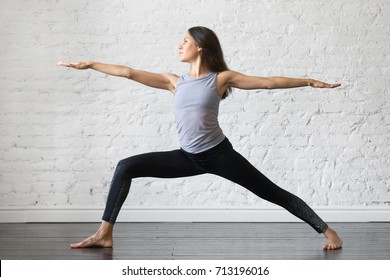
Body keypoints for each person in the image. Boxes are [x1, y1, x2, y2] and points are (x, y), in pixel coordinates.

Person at [58, 26, 342, 250]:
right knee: (126, 166)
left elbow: (268, 82)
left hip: (220, 155)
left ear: (200, 46)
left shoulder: (220, 79)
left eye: (185, 40)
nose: (180, 45)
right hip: (186, 158)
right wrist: (92, 64)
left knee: (272, 193)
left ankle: (329, 232)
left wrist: (308, 81)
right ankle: (104, 234)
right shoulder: (174, 82)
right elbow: (129, 72)